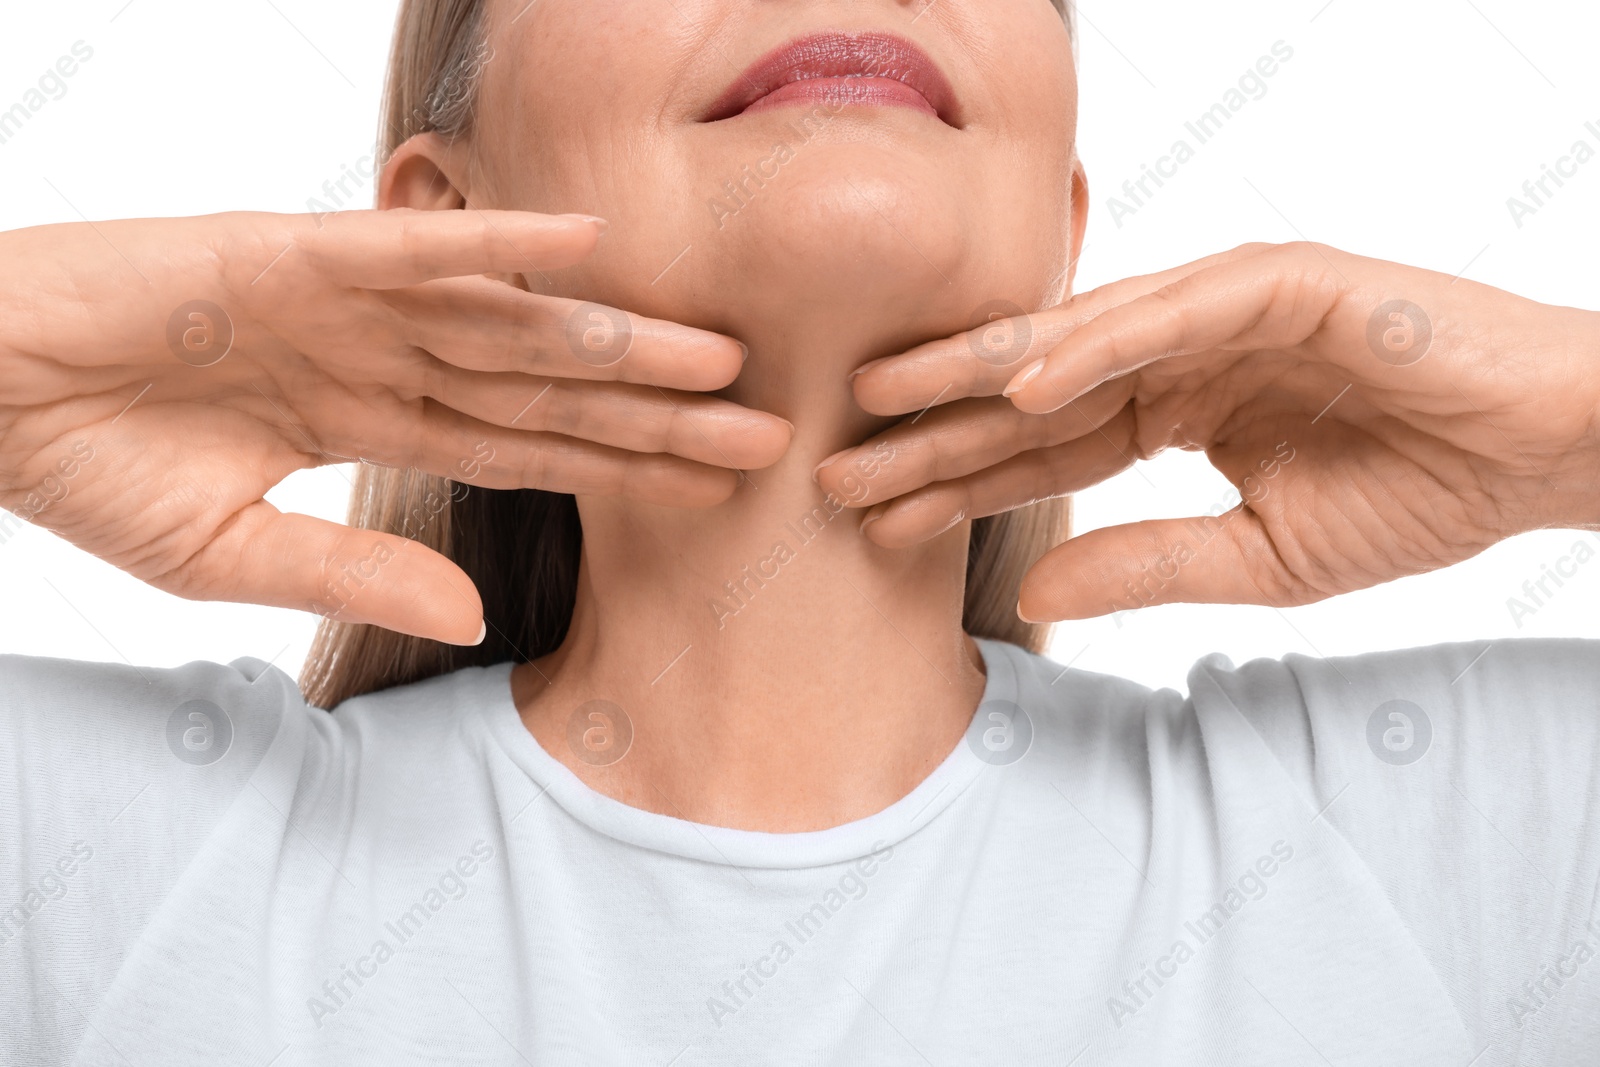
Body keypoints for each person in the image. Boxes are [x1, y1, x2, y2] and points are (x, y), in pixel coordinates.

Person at [2, 0, 1597, 1063]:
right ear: (439, 224)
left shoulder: (1431, 832)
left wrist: (1571, 431)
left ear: (1060, 231)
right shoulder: (115, 860)